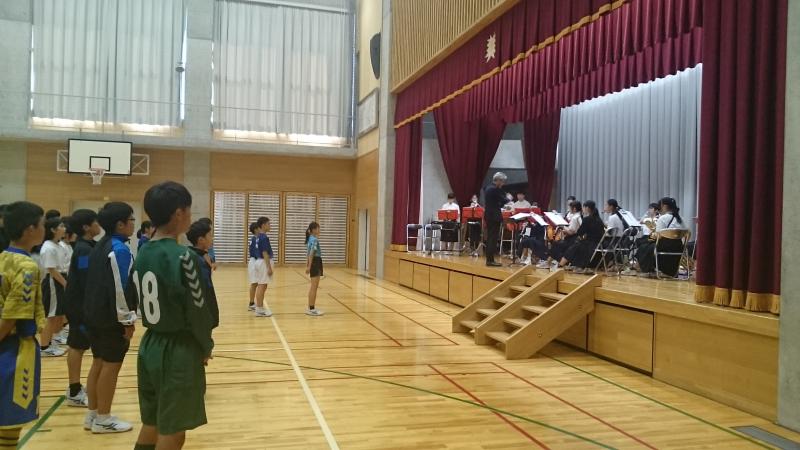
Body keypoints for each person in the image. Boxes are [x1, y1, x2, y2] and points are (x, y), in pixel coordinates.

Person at [132, 182, 215, 450]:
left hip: (149, 345)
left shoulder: (142, 253)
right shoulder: (184, 257)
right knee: (174, 432)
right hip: (177, 350)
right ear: (179, 213)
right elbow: (198, 310)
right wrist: (205, 346)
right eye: (189, 210)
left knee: (153, 423)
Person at [83, 202, 138, 433]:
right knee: (111, 366)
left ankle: (93, 414)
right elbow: (120, 289)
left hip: (94, 315)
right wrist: (127, 321)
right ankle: (104, 419)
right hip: (110, 319)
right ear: (120, 224)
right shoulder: (119, 250)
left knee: (98, 362)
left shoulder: (100, 245)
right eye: (131, 219)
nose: (134, 223)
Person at [0, 201, 45, 448]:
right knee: (10, 417)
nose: (44, 229)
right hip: (14, 347)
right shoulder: (27, 267)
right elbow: (12, 315)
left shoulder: (2, 257)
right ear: (30, 229)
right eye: (42, 225)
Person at [63, 209, 101, 408]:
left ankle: (76, 387)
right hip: (79, 306)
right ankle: (74, 390)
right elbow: (87, 279)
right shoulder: (84, 250)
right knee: (77, 345)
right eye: (96, 222)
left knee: (80, 344)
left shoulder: (90, 245)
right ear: (86, 227)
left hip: (83, 305)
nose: (99, 225)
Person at [39, 217, 69, 357]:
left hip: (59, 279)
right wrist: (65, 283)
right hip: (53, 281)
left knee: (57, 315)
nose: (64, 228)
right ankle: (45, 347)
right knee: (51, 316)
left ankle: (52, 342)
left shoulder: (58, 245)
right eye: (61, 226)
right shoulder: (48, 247)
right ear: (52, 229)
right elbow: (51, 270)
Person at [636, 197, 687, 277]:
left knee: (643, 246)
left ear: (664, 206)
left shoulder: (663, 218)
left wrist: (651, 237)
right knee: (646, 243)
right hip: (678, 247)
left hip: (664, 247)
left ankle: (648, 270)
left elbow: (658, 236)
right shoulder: (681, 219)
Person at [187, 219, 220, 328]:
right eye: (210, 235)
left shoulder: (200, 255)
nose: (212, 238)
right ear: (201, 240)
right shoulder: (197, 260)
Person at [558, 200, 605, 273]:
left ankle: (561, 265)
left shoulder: (587, 219)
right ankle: (573, 265)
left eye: (583, 207)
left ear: (587, 208)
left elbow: (580, 232)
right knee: (576, 245)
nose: (582, 209)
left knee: (574, 247)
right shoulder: (599, 220)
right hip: (598, 244)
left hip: (590, 244)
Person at [248, 217, 274, 317]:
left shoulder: (259, 237)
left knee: (262, 285)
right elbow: (264, 252)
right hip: (263, 262)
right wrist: (269, 267)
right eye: (268, 224)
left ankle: (259, 307)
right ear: (263, 225)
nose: (270, 226)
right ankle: (259, 309)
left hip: (260, 261)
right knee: (262, 286)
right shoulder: (263, 237)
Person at [484, 172, 508, 267]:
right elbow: (503, 200)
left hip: (489, 215)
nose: (503, 184)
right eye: (502, 182)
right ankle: (490, 261)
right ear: (498, 180)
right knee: (493, 239)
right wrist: (509, 198)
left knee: (490, 237)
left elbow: (496, 202)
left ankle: (489, 259)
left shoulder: (488, 188)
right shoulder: (494, 189)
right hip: (494, 217)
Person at [304, 222, 325, 316]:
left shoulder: (310, 239)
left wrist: (308, 264)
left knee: (313, 286)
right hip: (316, 262)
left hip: (314, 262)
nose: (319, 230)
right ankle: (311, 309)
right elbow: (312, 253)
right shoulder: (315, 240)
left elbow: (308, 253)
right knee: (314, 287)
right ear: (314, 230)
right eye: (318, 228)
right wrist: (309, 266)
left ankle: (311, 307)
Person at [246, 222, 258, 311]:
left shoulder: (256, 239)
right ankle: (251, 303)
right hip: (254, 262)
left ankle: (253, 302)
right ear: (256, 230)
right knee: (254, 283)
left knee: (256, 283)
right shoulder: (254, 239)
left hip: (256, 262)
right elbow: (255, 253)